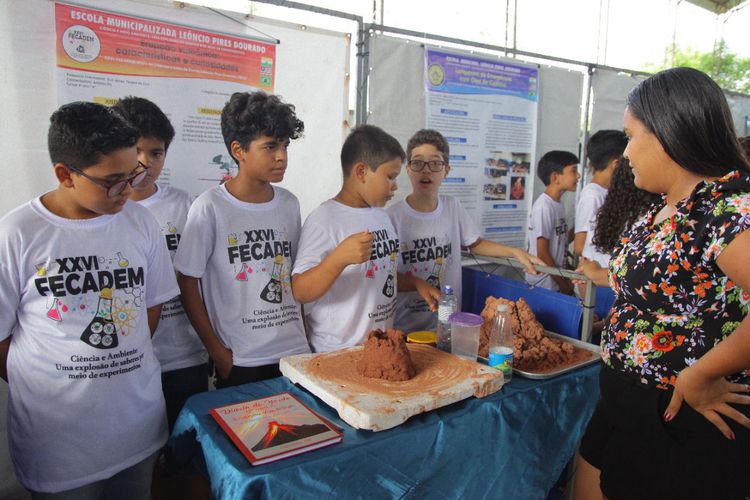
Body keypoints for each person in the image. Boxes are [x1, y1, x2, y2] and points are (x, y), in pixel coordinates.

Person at [573, 67, 750, 500]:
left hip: (677, 417)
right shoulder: (668, 205)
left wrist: (702, 374)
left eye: (632, 136)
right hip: (625, 398)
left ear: (670, 134)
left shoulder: (725, 212)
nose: (626, 153)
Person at [0, 102, 179, 498]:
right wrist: (50, 379)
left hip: (136, 426)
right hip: (60, 443)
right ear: (65, 175)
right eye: (113, 181)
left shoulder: (140, 222)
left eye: (132, 173)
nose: (129, 189)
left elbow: (150, 305)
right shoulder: (17, 235)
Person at [173, 91, 311, 389]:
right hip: (243, 359)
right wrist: (218, 353)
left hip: (294, 355)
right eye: (270, 146)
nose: (282, 156)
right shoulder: (210, 207)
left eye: (286, 145)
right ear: (239, 150)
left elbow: (294, 277)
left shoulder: (289, 204)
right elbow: (187, 282)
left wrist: (305, 340)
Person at [292, 125, 439, 352]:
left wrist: (417, 284)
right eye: (390, 176)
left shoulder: (381, 216)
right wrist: (339, 258)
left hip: (377, 347)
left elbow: (382, 273)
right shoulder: (324, 220)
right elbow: (300, 290)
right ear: (361, 172)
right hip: (337, 352)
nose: (395, 185)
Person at [112, 96, 208, 432]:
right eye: (137, 151)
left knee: (187, 451)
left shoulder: (187, 205)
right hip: (128, 360)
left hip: (185, 353)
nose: (146, 162)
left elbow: (200, 279)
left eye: (156, 153)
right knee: (140, 452)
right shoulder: (104, 212)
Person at [387, 129, 542, 333]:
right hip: (405, 327)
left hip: (447, 324)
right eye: (417, 163)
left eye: (435, 163)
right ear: (408, 169)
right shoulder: (392, 217)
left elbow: (475, 244)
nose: (426, 170)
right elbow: (386, 274)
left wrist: (514, 252)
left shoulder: (452, 207)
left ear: (447, 170)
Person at [525, 150, 579, 294]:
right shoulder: (544, 207)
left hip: (554, 280)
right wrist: (564, 284)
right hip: (543, 283)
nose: (578, 176)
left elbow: (560, 239)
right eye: (573, 171)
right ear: (556, 177)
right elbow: (543, 253)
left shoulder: (558, 204)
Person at [574, 130, 627, 267]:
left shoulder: (611, 192)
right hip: (595, 280)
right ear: (616, 164)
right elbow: (580, 246)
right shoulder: (592, 196)